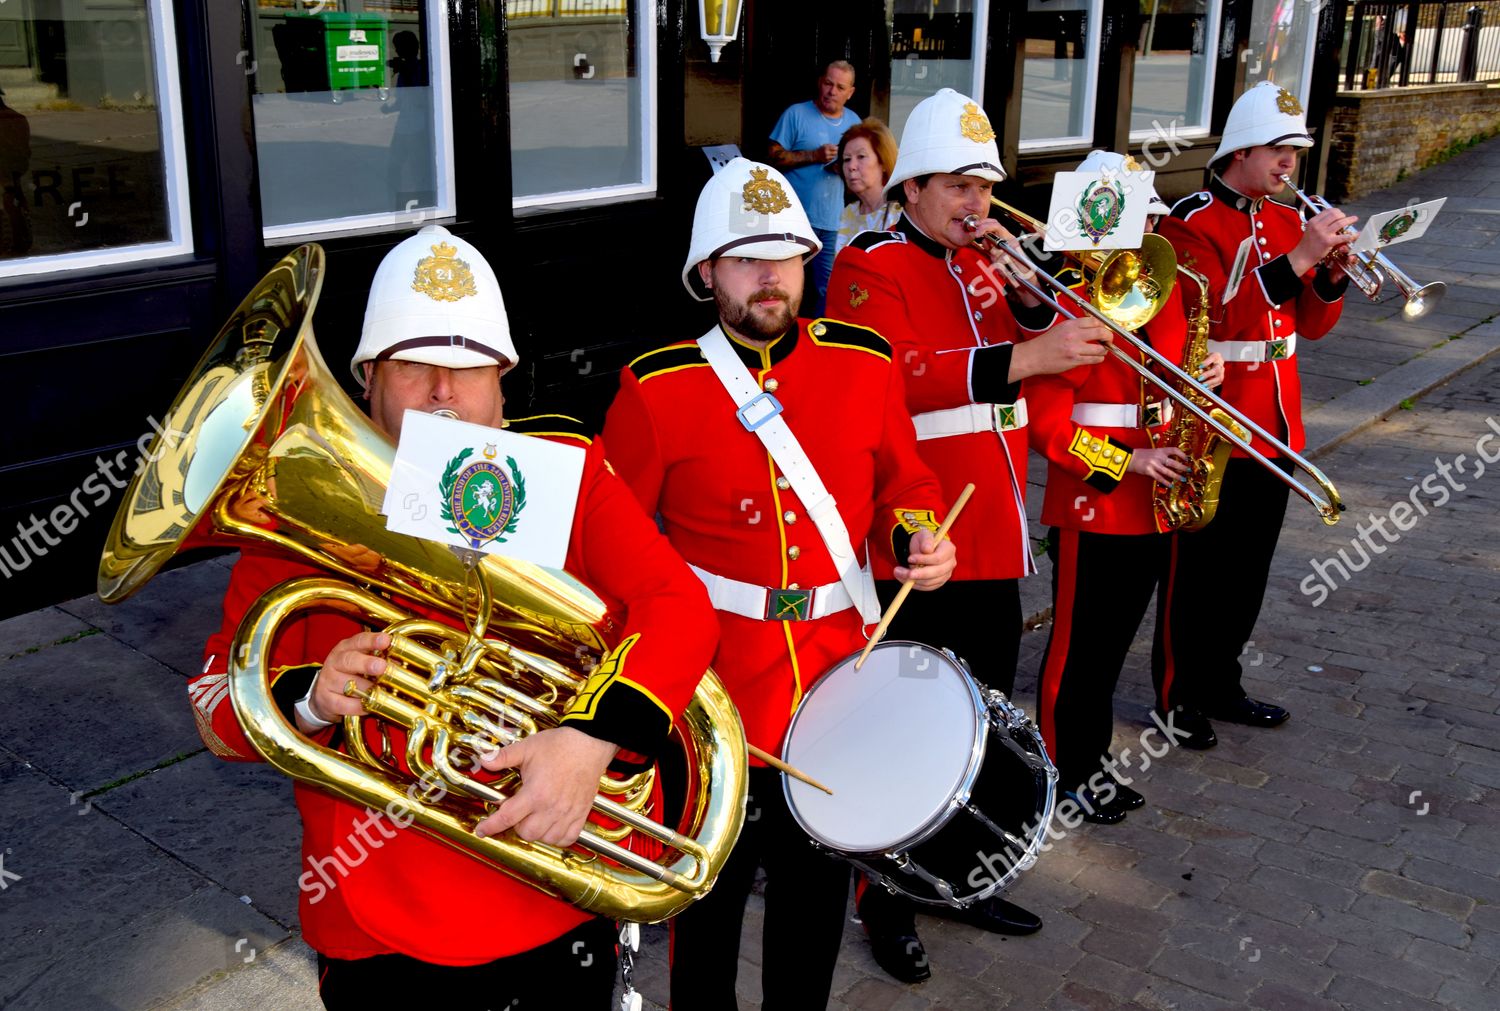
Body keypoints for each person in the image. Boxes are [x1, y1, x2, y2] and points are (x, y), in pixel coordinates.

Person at [187, 225, 718, 1008]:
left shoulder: (567, 475)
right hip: (380, 919)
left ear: (503, 384)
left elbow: (681, 608)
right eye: (413, 364)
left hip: (553, 890)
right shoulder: (303, 504)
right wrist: (306, 696)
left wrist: (591, 738)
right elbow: (209, 704)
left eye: (470, 365)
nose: (444, 389)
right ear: (366, 379)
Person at [601, 157, 957, 1010]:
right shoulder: (656, 390)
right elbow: (609, 549)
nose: (770, 275)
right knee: (708, 912)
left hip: (838, 680)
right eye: (745, 256)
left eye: (786, 255)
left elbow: (905, 482)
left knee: (815, 904)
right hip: (716, 695)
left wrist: (918, 533)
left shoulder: (862, 363)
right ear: (706, 274)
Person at [827, 87, 1112, 983]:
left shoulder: (984, 260)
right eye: (955, 185)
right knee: (910, 728)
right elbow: (898, 375)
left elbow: (1036, 344)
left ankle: (962, 874)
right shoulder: (869, 261)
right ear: (909, 187)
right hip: (919, 536)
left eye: (984, 186)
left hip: (991, 530)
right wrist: (1030, 355)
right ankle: (886, 898)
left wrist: (1032, 291)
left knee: (984, 719)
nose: (976, 205)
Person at [1152, 81, 1352, 750]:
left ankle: (1221, 681)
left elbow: (1312, 327)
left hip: (1277, 420)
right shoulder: (1192, 219)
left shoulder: (1291, 219)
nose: (1290, 165)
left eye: (1295, 152)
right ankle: (1177, 696)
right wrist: (1298, 261)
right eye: (1279, 151)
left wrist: (1330, 274)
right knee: (1198, 575)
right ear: (1241, 150)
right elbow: (1209, 323)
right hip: (1218, 421)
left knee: (1247, 574)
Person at [1029, 151, 1225, 825]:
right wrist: (1130, 463)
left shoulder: (1165, 288)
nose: (1154, 224)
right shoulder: (1073, 303)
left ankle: (1091, 760)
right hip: (1098, 499)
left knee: (1113, 646)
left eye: (1151, 212)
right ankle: (1063, 770)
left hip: (1155, 502)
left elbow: (1173, 375)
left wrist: (1208, 379)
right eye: (1140, 213)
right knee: (1076, 651)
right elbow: (1047, 425)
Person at [768, 60, 862, 316]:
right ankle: (783, 339)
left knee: (827, 288)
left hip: (833, 220)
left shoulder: (854, 122)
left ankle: (820, 341)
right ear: (820, 82)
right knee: (784, 284)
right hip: (794, 219)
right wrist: (813, 156)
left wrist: (841, 167)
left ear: (850, 92)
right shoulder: (796, 114)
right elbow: (772, 157)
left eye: (840, 87)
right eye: (828, 83)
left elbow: (861, 169)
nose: (832, 91)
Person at [831, 116, 901, 254]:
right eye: (846, 159)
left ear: (883, 162)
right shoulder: (849, 212)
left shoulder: (900, 212)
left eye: (861, 156)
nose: (851, 166)